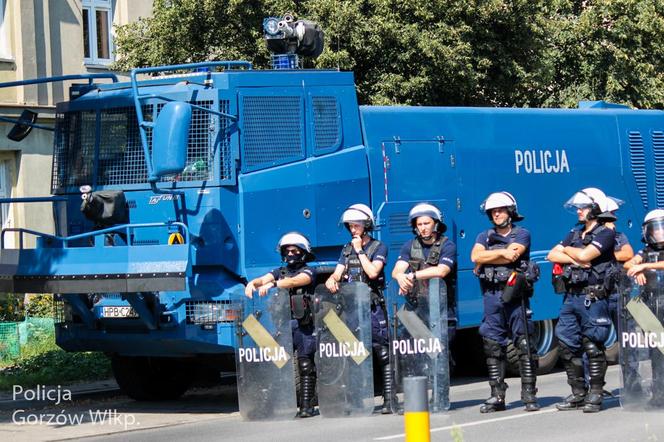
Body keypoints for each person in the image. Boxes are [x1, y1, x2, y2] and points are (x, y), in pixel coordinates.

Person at [547, 187, 616, 413]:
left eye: (584, 206)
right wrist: (575, 258)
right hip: (571, 296)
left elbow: (588, 256)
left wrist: (570, 253)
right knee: (566, 344)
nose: (579, 210)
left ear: (595, 208)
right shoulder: (575, 233)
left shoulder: (605, 233)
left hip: (592, 297)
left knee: (592, 345)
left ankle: (595, 393)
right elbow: (551, 255)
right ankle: (578, 393)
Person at [471, 191, 539, 413]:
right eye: (493, 211)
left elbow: (513, 256)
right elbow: (475, 257)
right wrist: (500, 254)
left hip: (514, 295)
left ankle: (529, 395)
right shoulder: (484, 235)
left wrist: (489, 256)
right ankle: (497, 396)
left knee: (524, 344)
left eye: (500, 210)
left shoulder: (522, 234)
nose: (496, 214)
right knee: (492, 345)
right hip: (491, 295)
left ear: (510, 211)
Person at [324, 204, 392, 413]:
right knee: (355, 353)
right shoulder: (346, 249)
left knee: (382, 351)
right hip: (352, 308)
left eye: (357, 225)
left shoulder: (378, 247)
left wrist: (360, 250)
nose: (353, 229)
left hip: (372, 307)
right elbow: (337, 272)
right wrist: (332, 280)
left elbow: (372, 272)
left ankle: (389, 399)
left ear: (366, 225)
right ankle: (356, 400)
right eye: (350, 226)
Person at [244, 232, 317, 418]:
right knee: (274, 363)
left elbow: (296, 281)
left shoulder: (309, 271)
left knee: (305, 364)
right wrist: (253, 283)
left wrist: (275, 284)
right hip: (284, 325)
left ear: (303, 252)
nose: (290, 254)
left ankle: (306, 406)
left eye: (294, 250)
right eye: (287, 251)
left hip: (303, 325)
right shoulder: (279, 271)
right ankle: (268, 404)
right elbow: (264, 279)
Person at [391, 203, 457, 408]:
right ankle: (417, 398)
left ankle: (440, 398)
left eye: (427, 223)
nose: (423, 227)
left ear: (436, 223)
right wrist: (401, 277)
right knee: (416, 354)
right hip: (417, 308)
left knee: (438, 354)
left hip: (442, 309)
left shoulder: (447, 245)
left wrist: (412, 275)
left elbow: (442, 271)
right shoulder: (409, 246)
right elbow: (396, 270)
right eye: (419, 224)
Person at [624, 209, 664, 407]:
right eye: (656, 229)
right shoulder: (646, 250)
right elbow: (630, 263)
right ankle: (659, 394)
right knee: (656, 351)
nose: (660, 232)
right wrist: (635, 267)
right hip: (653, 303)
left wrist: (645, 268)